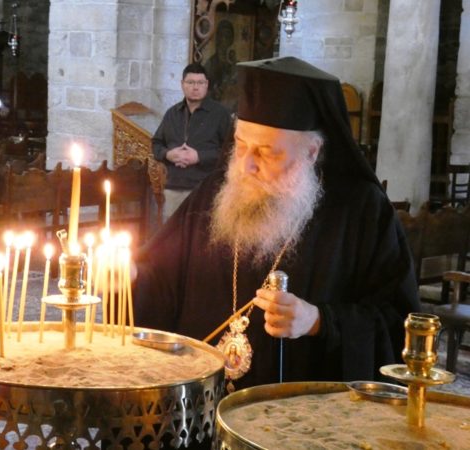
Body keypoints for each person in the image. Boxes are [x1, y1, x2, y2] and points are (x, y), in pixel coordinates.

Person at [134, 57, 420, 392]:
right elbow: (159, 277)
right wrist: (129, 277)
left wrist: (318, 320)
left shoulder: (361, 210)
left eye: (267, 152)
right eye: (241, 146)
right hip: (203, 402)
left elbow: (399, 324)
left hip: (299, 412)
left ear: (311, 152)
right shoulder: (213, 193)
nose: (247, 166)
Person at [151, 63, 231, 222]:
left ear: (206, 84)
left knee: (200, 234)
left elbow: (230, 151)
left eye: (200, 83)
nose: (195, 87)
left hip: (206, 189)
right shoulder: (172, 113)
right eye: (191, 82)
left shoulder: (220, 114)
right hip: (174, 188)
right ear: (182, 84)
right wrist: (168, 154)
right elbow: (156, 144)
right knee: (172, 233)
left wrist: (199, 156)